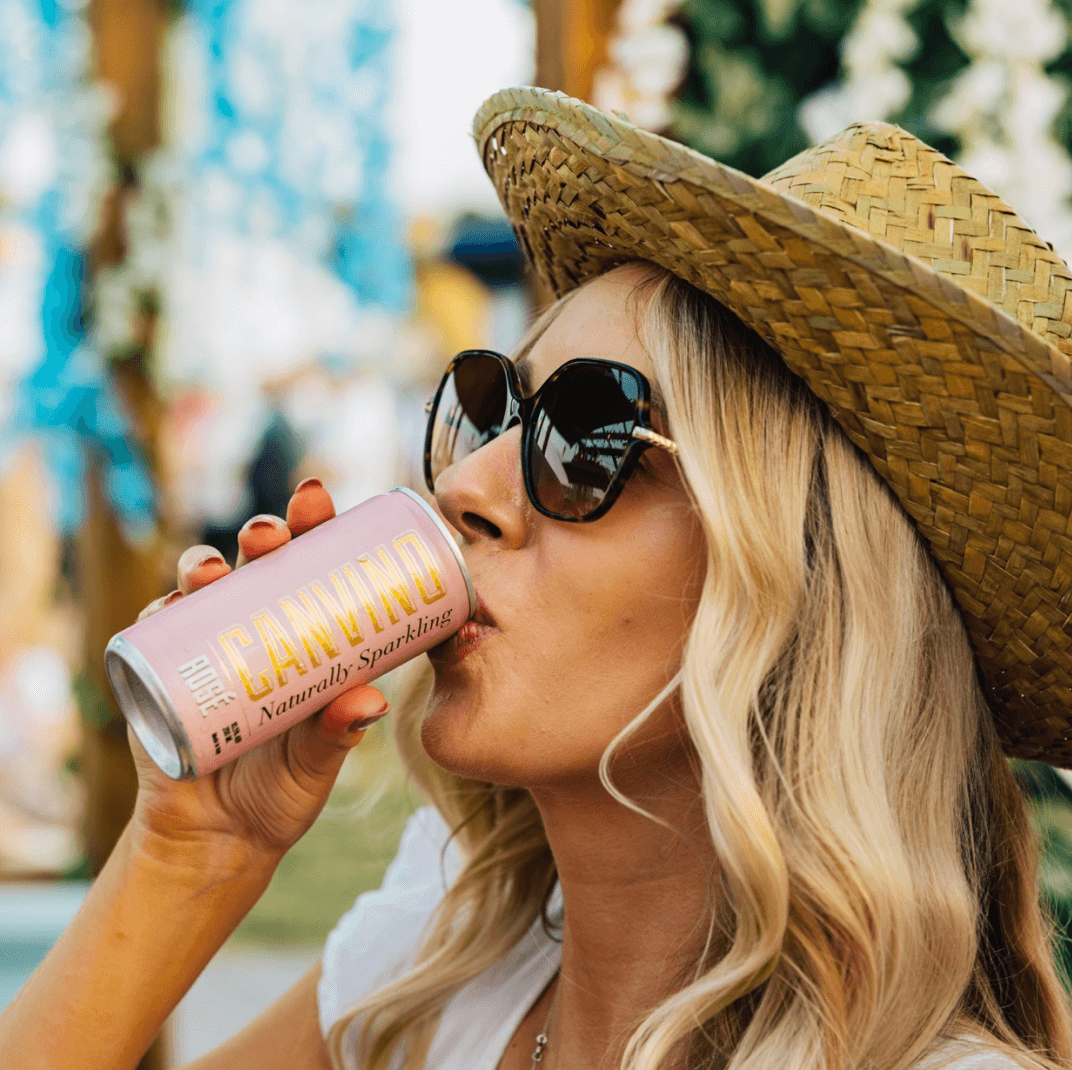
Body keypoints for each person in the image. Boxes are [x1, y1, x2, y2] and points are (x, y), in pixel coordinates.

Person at [5, 87, 1072, 1070]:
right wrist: (188, 857)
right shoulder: (436, 969)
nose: (466, 481)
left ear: (809, 578)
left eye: (588, 438)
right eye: (495, 408)